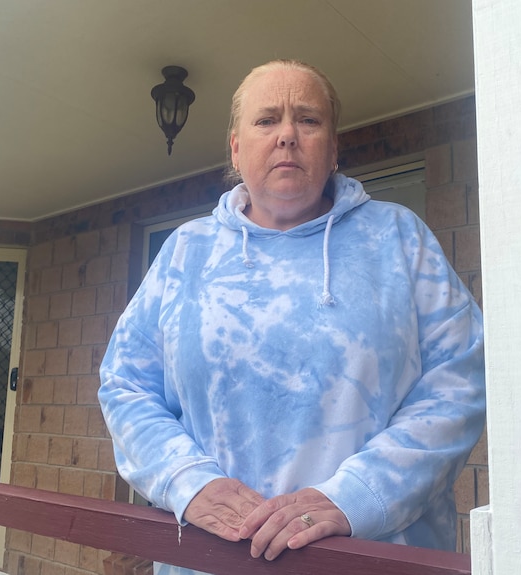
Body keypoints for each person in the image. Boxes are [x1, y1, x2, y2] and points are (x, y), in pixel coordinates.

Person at [98, 59, 486, 575]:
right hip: (210, 562)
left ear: (334, 147)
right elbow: (126, 384)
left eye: (307, 119)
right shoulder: (185, 252)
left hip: (374, 560)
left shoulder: (398, 238)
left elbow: (461, 378)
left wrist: (358, 495)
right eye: (266, 120)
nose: (287, 135)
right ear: (235, 148)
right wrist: (188, 479)